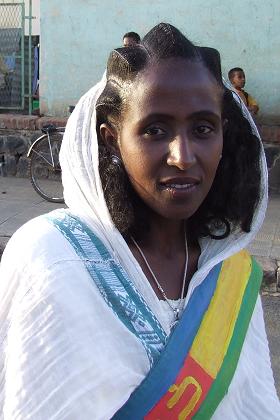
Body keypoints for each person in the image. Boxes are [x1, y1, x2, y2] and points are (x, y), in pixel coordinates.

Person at [0, 23, 279, 419]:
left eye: (202, 129)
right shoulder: (53, 260)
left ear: (224, 134)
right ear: (112, 139)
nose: (183, 156)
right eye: (155, 130)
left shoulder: (233, 275)